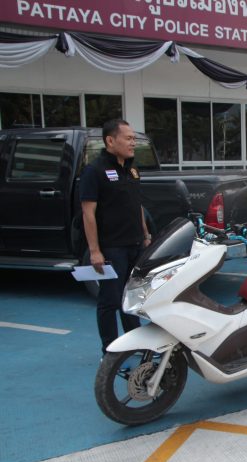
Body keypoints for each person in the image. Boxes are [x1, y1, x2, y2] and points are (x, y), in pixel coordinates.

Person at [80, 119, 151, 354]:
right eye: (128, 138)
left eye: (134, 139)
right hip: (112, 248)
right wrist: (94, 251)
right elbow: (88, 214)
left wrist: (145, 233)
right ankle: (110, 352)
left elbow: (137, 204)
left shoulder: (132, 169)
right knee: (110, 301)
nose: (133, 143)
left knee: (131, 299)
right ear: (110, 140)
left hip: (135, 245)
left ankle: (134, 344)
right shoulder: (94, 171)